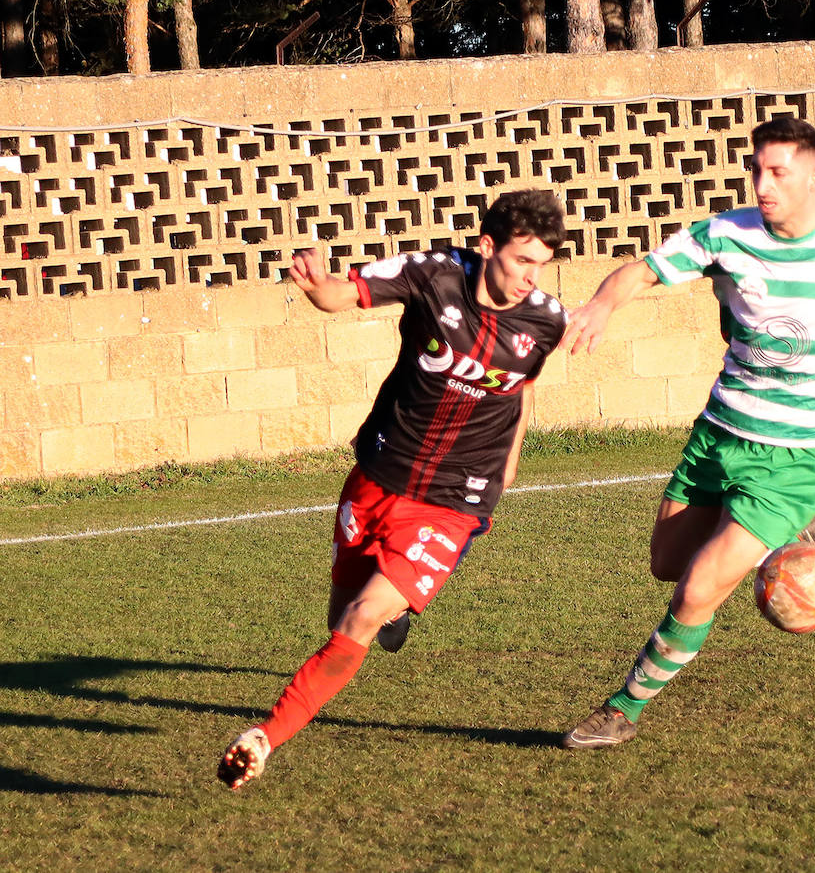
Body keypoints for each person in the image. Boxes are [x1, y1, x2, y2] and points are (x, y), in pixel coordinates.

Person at [558, 116, 815, 749]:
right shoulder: (726, 234)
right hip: (719, 434)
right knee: (666, 564)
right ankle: (780, 534)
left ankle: (622, 710)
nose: (762, 183)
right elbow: (640, 270)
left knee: (699, 588)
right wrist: (601, 304)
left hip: (795, 457)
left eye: (778, 171)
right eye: (756, 169)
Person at [217, 189, 569, 789]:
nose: (530, 279)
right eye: (521, 261)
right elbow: (342, 294)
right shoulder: (431, 275)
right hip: (380, 476)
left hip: (457, 498)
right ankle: (391, 612)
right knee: (341, 615)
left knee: (360, 617)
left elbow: (523, 386)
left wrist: (510, 460)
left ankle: (263, 737)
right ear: (487, 248)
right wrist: (315, 286)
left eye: (542, 264)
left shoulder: (546, 320)